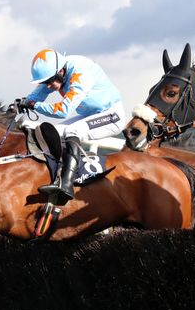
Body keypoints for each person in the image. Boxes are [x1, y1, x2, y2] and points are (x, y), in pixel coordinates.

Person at [15, 48, 126, 202]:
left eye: (49, 81)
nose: (47, 86)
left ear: (61, 71)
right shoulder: (56, 70)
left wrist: (34, 105)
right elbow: (37, 95)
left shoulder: (80, 72)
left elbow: (63, 111)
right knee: (55, 130)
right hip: (90, 114)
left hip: (112, 115)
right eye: (44, 82)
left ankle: (66, 185)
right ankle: (57, 176)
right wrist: (20, 104)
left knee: (73, 130)